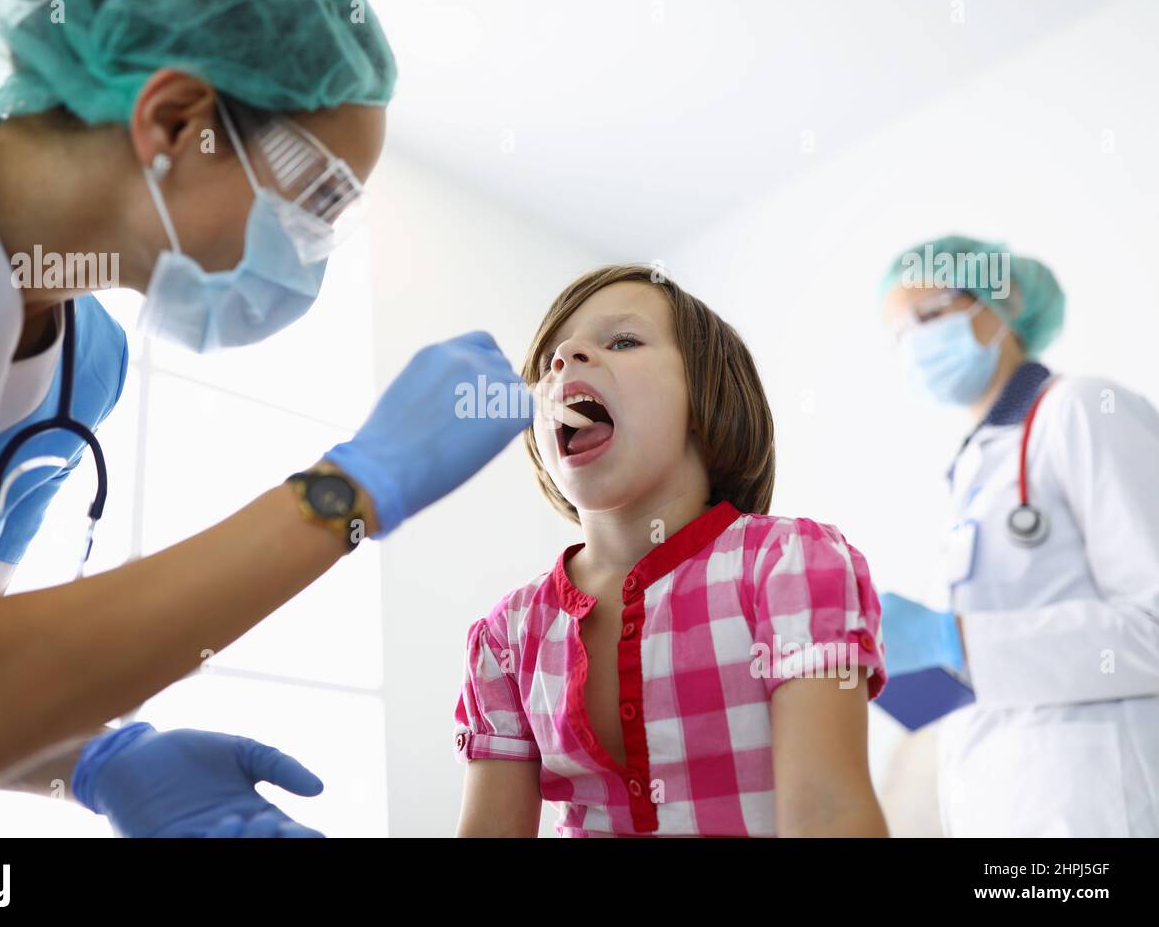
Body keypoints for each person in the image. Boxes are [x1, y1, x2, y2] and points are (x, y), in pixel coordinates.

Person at [0, 0, 530, 837]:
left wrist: (90, 762)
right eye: (319, 201)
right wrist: (347, 492)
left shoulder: (82, 368)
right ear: (175, 122)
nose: (312, 259)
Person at [452, 264, 889, 837]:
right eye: (549, 363)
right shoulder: (507, 634)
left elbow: (831, 814)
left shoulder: (789, 564)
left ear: (708, 399)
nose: (565, 359)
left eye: (623, 340)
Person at [878, 235, 1159, 837]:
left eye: (928, 316)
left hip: (1098, 811)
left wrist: (952, 641)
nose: (915, 346)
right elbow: (994, 667)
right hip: (1000, 810)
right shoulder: (973, 470)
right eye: (899, 335)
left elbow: (1153, 629)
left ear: (997, 301)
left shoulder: (1083, 410)